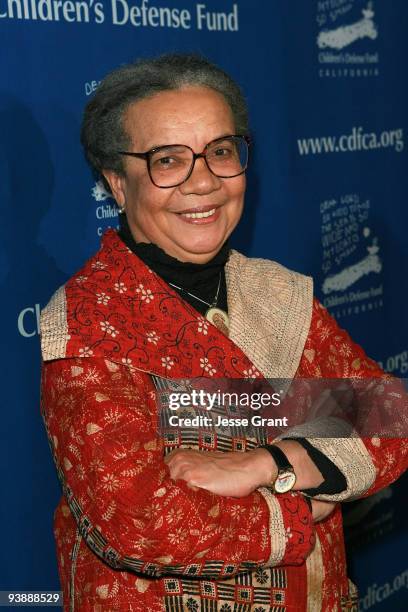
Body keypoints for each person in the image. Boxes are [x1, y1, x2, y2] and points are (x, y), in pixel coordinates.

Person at [40, 54, 407, 612]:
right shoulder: (90, 320)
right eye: (168, 160)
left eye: (220, 151)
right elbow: (142, 521)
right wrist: (304, 505)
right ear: (117, 183)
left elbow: (391, 419)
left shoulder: (277, 296)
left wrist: (271, 464)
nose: (205, 181)